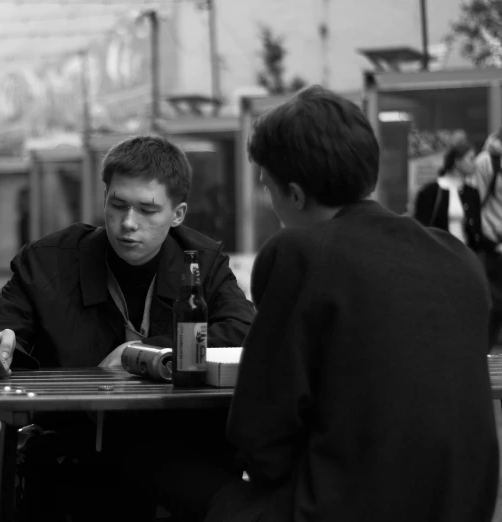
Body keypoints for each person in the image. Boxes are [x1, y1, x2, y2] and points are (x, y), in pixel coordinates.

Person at [158, 86, 498, 522]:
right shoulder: (456, 256)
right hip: (462, 506)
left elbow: (261, 432)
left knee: (155, 464)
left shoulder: (300, 253)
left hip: (336, 508)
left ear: (295, 194)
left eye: (267, 187)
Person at [0, 135, 255, 521]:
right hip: (77, 453)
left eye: (148, 210)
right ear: (104, 200)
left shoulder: (202, 262)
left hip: (183, 446)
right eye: (117, 205)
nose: (128, 224)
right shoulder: (47, 263)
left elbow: (243, 330)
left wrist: (141, 354)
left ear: (178, 214)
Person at [413, 140, 483, 250]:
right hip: (440, 255)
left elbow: (477, 232)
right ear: (457, 161)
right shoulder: (430, 191)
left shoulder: (472, 193)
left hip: (466, 255)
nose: (474, 163)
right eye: (470, 158)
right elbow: (421, 228)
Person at [473, 128, 502, 349]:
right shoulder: (487, 161)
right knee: (495, 305)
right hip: (496, 245)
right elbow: (476, 206)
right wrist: (492, 241)